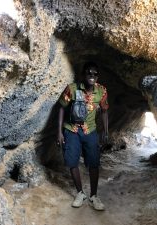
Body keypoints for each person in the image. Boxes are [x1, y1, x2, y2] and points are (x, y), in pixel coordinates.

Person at [57, 61, 109, 211]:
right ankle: (80, 193)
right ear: (83, 74)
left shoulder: (102, 91)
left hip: (90, 131)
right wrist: (59, 132)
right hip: (71, 130)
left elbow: (105, 111)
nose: (91, 76)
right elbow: (61, 108)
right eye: (88, 73)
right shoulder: (72, 89)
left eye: (95, 74)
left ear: (97, 76)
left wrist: (106, 131)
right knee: (72, 161)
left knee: (94, 163)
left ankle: (94, 196)